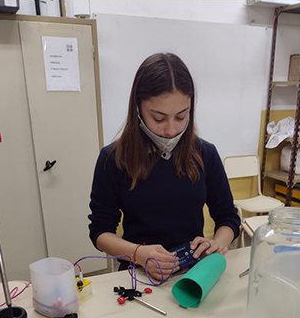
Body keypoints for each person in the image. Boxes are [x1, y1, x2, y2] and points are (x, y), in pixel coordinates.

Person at [88, 53, 240, 281]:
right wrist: (139, 254)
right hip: (138, 274)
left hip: (193, 274)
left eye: (181, 117)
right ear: (138, 108)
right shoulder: (113, 159)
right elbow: (100, 232)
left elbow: (228, 218)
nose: (170, 130)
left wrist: (215, 245)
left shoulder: (205, 154)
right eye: (158, 118)